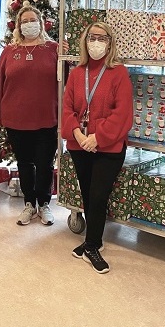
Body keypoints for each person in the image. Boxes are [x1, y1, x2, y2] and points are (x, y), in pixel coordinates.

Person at [61, 22, 133, 274]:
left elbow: (122, 113)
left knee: (99, 195)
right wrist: (79, 134)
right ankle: (94, 241)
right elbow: (67, 107)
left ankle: (91, 245)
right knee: (89, 193)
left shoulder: (119, 73)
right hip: (80, 143)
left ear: (110, 43)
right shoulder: (77, 72)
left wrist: (97, 136)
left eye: (102, 38)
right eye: (92, 37)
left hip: (108, 147)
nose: (96, 42)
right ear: (85, 40)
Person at [0, 5, 60, 226]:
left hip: (46, 118)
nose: (29, 24)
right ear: (18, 26)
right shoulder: (10, 51)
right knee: (25, 164)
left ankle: (44, 204)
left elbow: (69, 78)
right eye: (24, 21)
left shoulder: (53, 49)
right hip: (16, 119)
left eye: (32, 19)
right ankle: (29, 203)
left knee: (45, 164)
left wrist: (70, 54)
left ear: (40, 22)